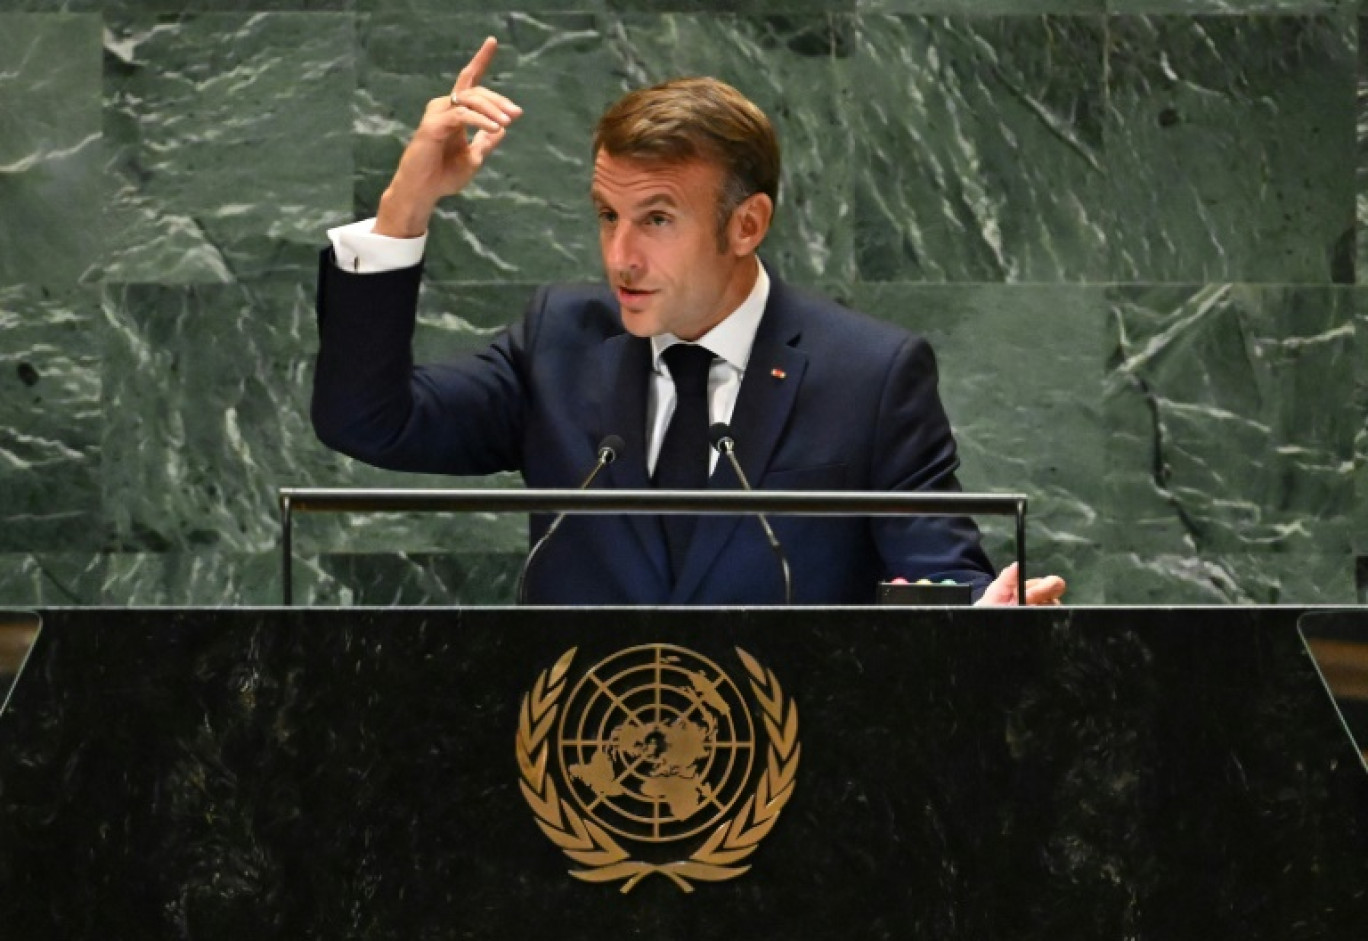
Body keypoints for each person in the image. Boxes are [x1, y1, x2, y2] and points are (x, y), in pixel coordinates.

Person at [312, 37, 1065, 607]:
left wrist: (980, 613)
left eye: (657, 218)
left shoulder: (867, 375)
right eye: (608, 215)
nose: (620, 255)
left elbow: (937, 575)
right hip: (577, 772)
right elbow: (368, 421)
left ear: (747, 224)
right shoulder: (562, 342)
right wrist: (404, 207)